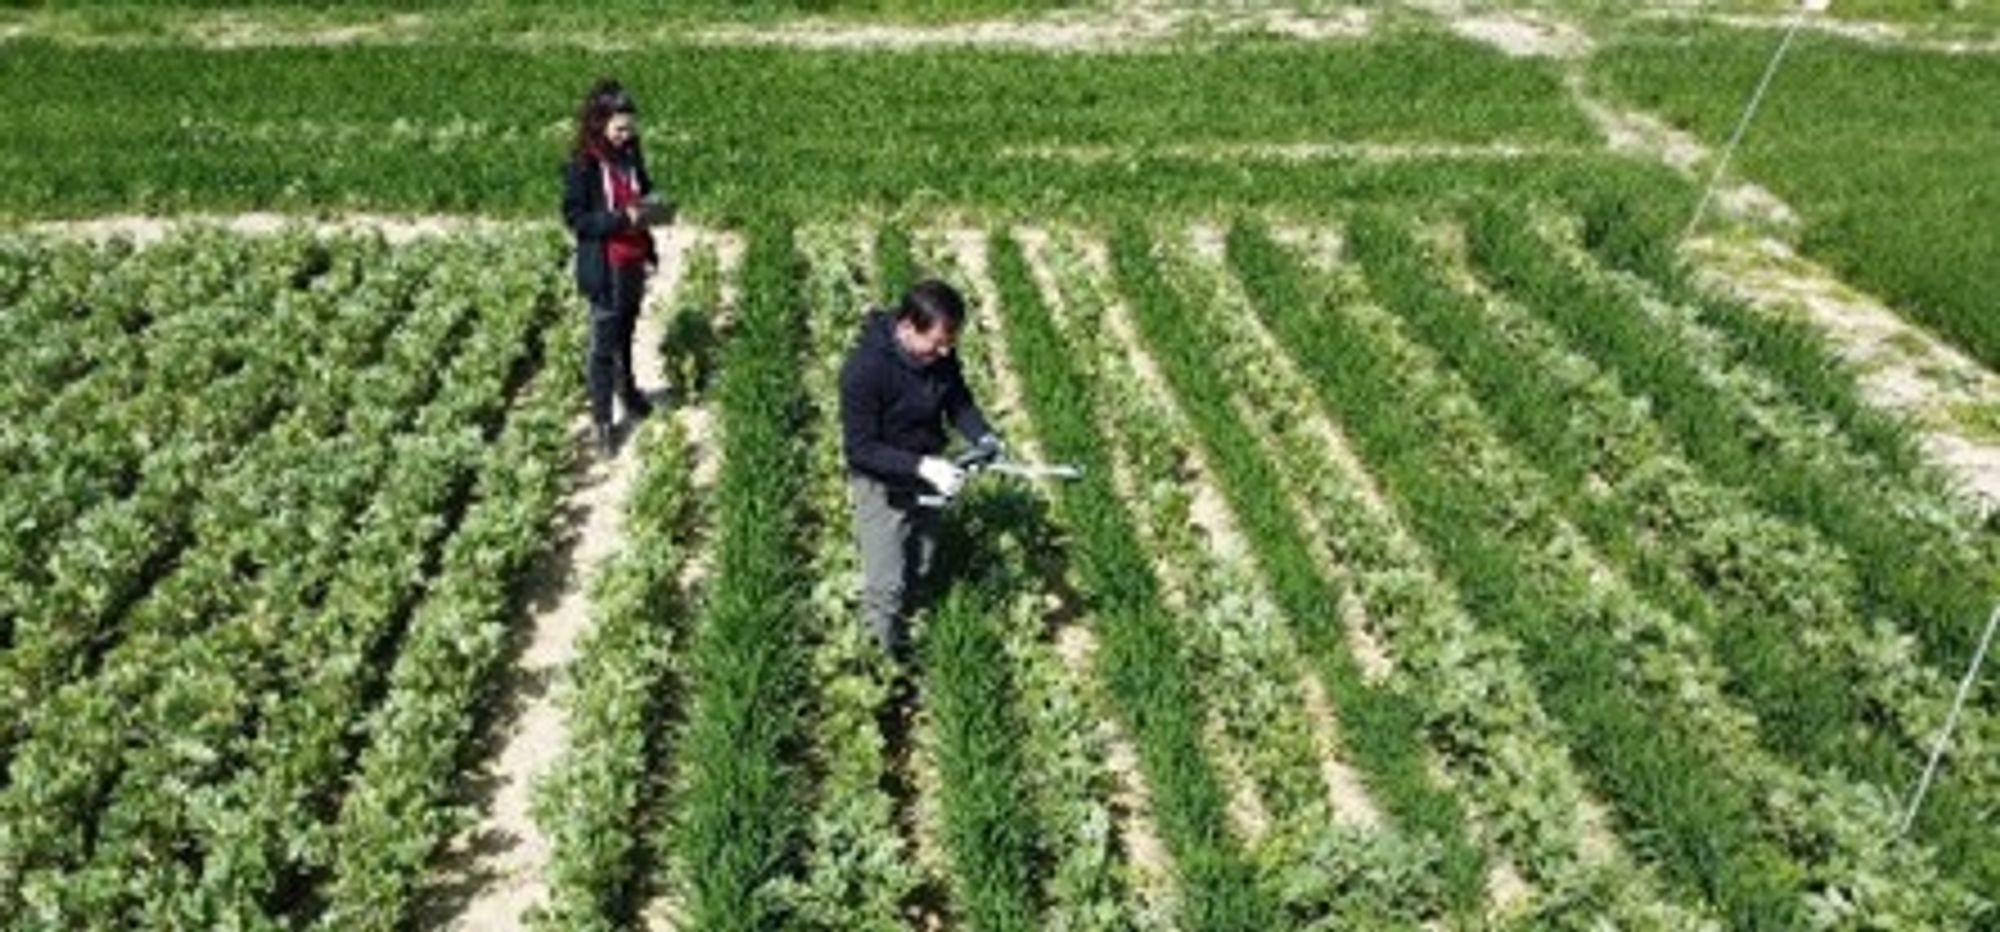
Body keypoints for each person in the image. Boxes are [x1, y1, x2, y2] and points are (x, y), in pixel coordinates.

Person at [839, 280, 1000, 663]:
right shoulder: (864, 370)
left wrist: (983, 436)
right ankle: (877, 664)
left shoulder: (940, 357)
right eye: (938, 344)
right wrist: (921, 465)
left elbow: (958, 401)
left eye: (951, 343)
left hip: (930, 472)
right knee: (886, 584)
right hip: (882, 481)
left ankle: (909, 631)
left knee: (922, 561)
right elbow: (860, 449)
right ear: (908, 328)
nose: (945, 352)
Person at [562, 77, 671, 456]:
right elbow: (577, 219)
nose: (627, 135)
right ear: (599, 123)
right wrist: (620, 218)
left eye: (630, 128)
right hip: (605, 263)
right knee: (602, 344)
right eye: (619, 128)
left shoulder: (629, 151)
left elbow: (643, 186)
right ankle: (603, 421)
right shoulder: (582, 164)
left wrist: (653, 206)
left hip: (633, 257)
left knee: (626, 329)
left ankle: (629, 393)